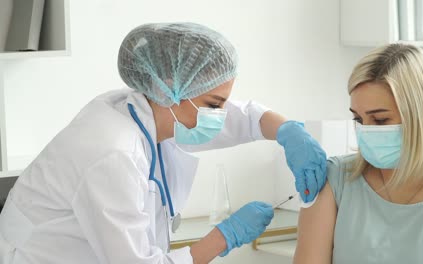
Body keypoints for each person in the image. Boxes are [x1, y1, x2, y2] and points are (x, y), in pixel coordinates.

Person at [0, 23, 327, 264]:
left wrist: (287, 131)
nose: (222, 114)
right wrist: (223, 238)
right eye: (215, 105)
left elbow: (243, 115)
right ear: (168, 88)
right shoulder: (112, 152)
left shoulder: (148, 112)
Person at [293, 43, 423, 263]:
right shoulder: (334, 179)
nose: (365, 130)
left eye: (380, 120)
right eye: (358, 119)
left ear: (420, 117)